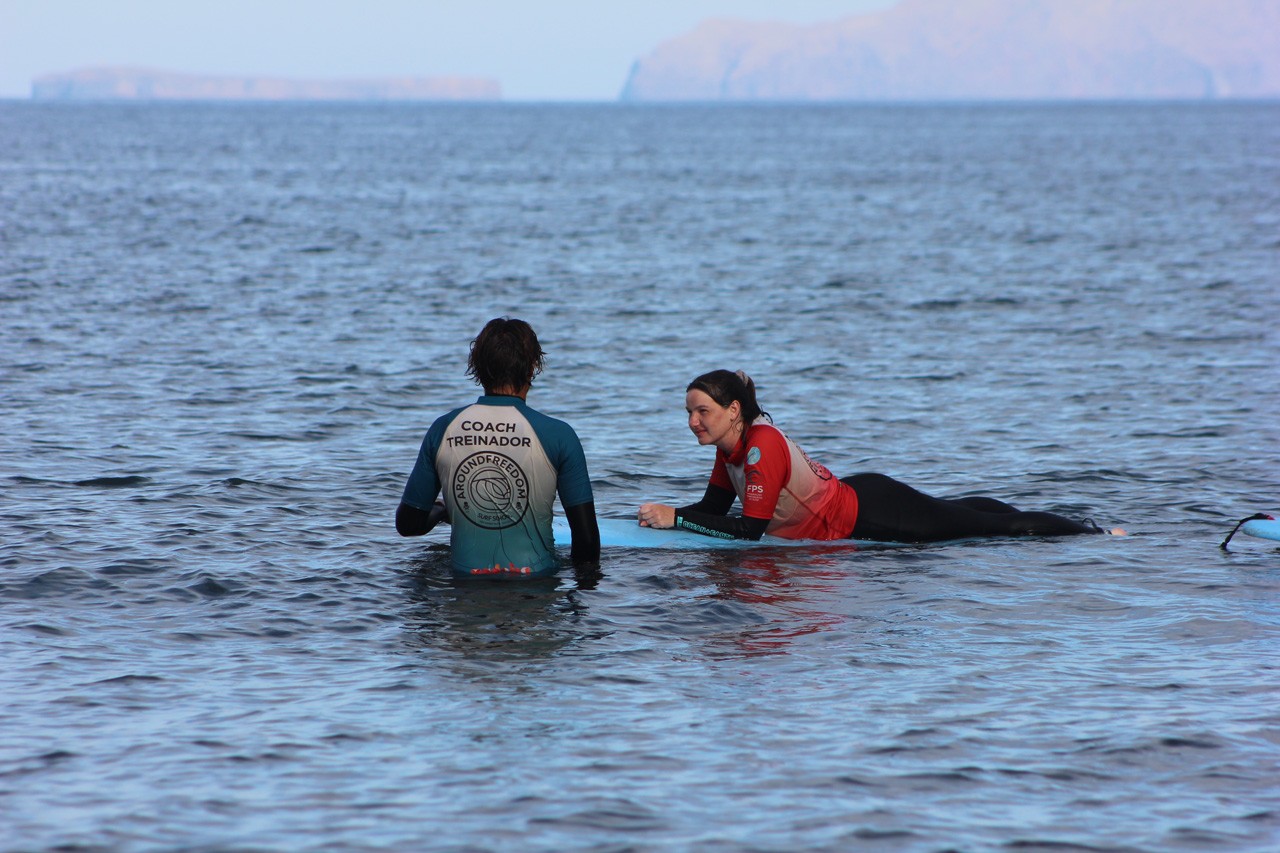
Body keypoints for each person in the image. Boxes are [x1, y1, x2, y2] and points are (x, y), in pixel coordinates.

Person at [637, 369, 1123, 543]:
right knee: (961, 512)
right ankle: (1025, 512)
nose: (693, 422)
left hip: (875, 515)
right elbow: (715, 512)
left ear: (733, 411)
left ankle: (1094, 533)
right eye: (688, 412)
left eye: (701, 411)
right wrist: (665, 517)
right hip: (861, 494)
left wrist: (676, 519)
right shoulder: (731, 447)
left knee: (992, 530)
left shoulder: (761, 449)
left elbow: (749, 531)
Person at [397, 318, 600, 576]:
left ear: (477, 366)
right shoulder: (559, 435)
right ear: (533, 366)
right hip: (535, 591)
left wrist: (440, 511)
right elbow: (587, 544)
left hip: (464, 592)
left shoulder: (443, 429)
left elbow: (408, 525)